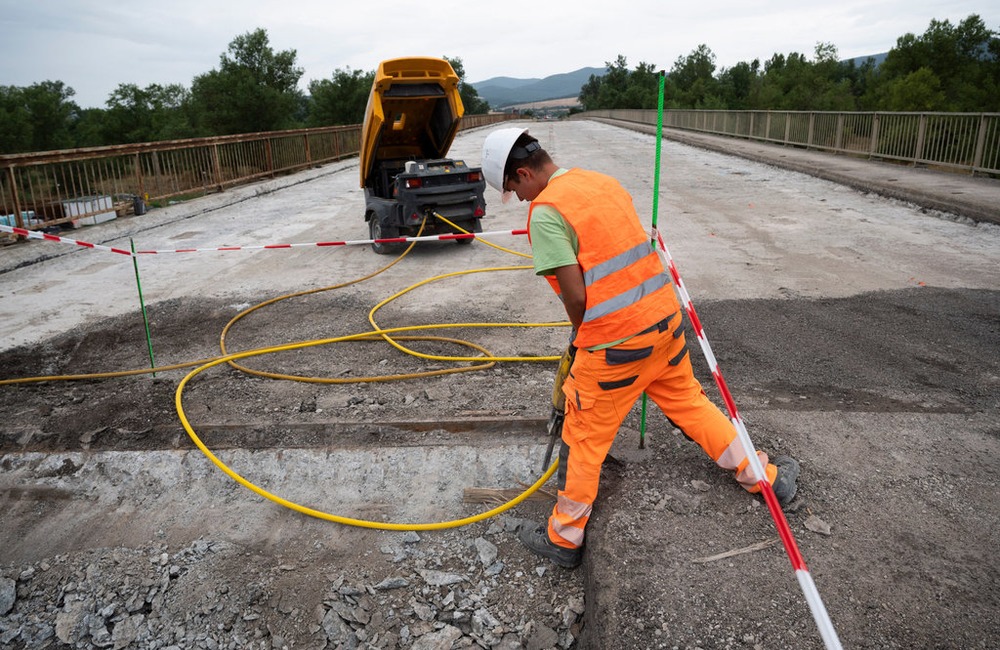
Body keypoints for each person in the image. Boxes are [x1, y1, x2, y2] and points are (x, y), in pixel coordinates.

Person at [480, 127, 800, 569]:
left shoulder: (547, 211)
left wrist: (584, 339)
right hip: (664, 324)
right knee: (692, 404)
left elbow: (575, 297)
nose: (518, 199)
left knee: (584, 437)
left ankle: (563, 538)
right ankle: (767, 481)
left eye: (514, 189)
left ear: (522, 173)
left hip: (614, 347)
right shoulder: (601, 183)